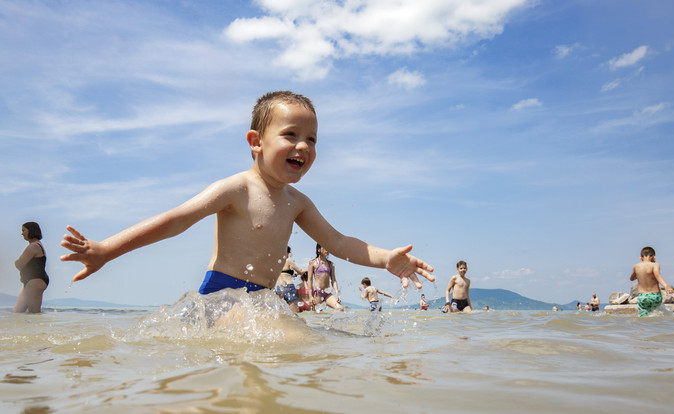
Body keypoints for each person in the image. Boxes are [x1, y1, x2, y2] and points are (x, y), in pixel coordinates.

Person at [60, 91, 434, 300]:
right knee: (293, 346)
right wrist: (107, 249)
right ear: (256, 142)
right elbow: (175, 220)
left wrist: (385, 257)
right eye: (290, 134)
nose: (303, 145)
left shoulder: (297, 203)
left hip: (262, 300)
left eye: (312, 139)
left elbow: (337, 242)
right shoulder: (236, 189)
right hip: (222, 295)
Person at [13, 222, 50, 313]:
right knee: (17, 311)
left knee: (34, 313)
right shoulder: (37, 245)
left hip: (35, 281)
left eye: (23, 230)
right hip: (31, 281)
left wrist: (16, 262)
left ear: (31, 230)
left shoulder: (33, 246)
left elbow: (19, 264)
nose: (22, 233)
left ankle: (42, 327)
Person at [630, 246, 674, 317]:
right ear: (654, 257)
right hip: (655, 296)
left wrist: (639, 274)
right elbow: (657, 275)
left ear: (640, 258)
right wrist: (666, 286)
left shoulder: (636, 266)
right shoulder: (655, 265)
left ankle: (644, 328)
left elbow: (631, 278)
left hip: (642, 296)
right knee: (657, 314)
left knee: (644, 317)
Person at [308, 244, 344, 311]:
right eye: (325, 248)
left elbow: (333, 280)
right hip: (317, 293)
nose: (327, 250)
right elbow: (309, 280)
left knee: (340, 308)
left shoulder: (331, 264)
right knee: (318, 317)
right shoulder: (313, 263)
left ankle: (329, 320)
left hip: (327, 293)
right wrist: (310, 296)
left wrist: (337, 293)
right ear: (318, 250)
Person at [275, 246, 306, 312]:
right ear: (287, 253)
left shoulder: (277, 262)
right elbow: (300, 271)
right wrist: (306, 270)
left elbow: (283, 274)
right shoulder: (288, 261)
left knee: (281, 313)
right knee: (294, 312)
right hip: (289, 287)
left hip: (279, 288)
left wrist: (295, 275)